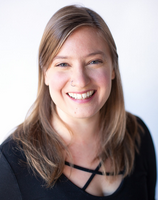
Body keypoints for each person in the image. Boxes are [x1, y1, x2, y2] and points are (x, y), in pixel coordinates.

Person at [0, 5, 156, 200]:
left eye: (94, 61)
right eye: (63, 64)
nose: (80, 81)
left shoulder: (137, 135)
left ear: (113, 68)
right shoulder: (11, 161)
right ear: (45, 73)